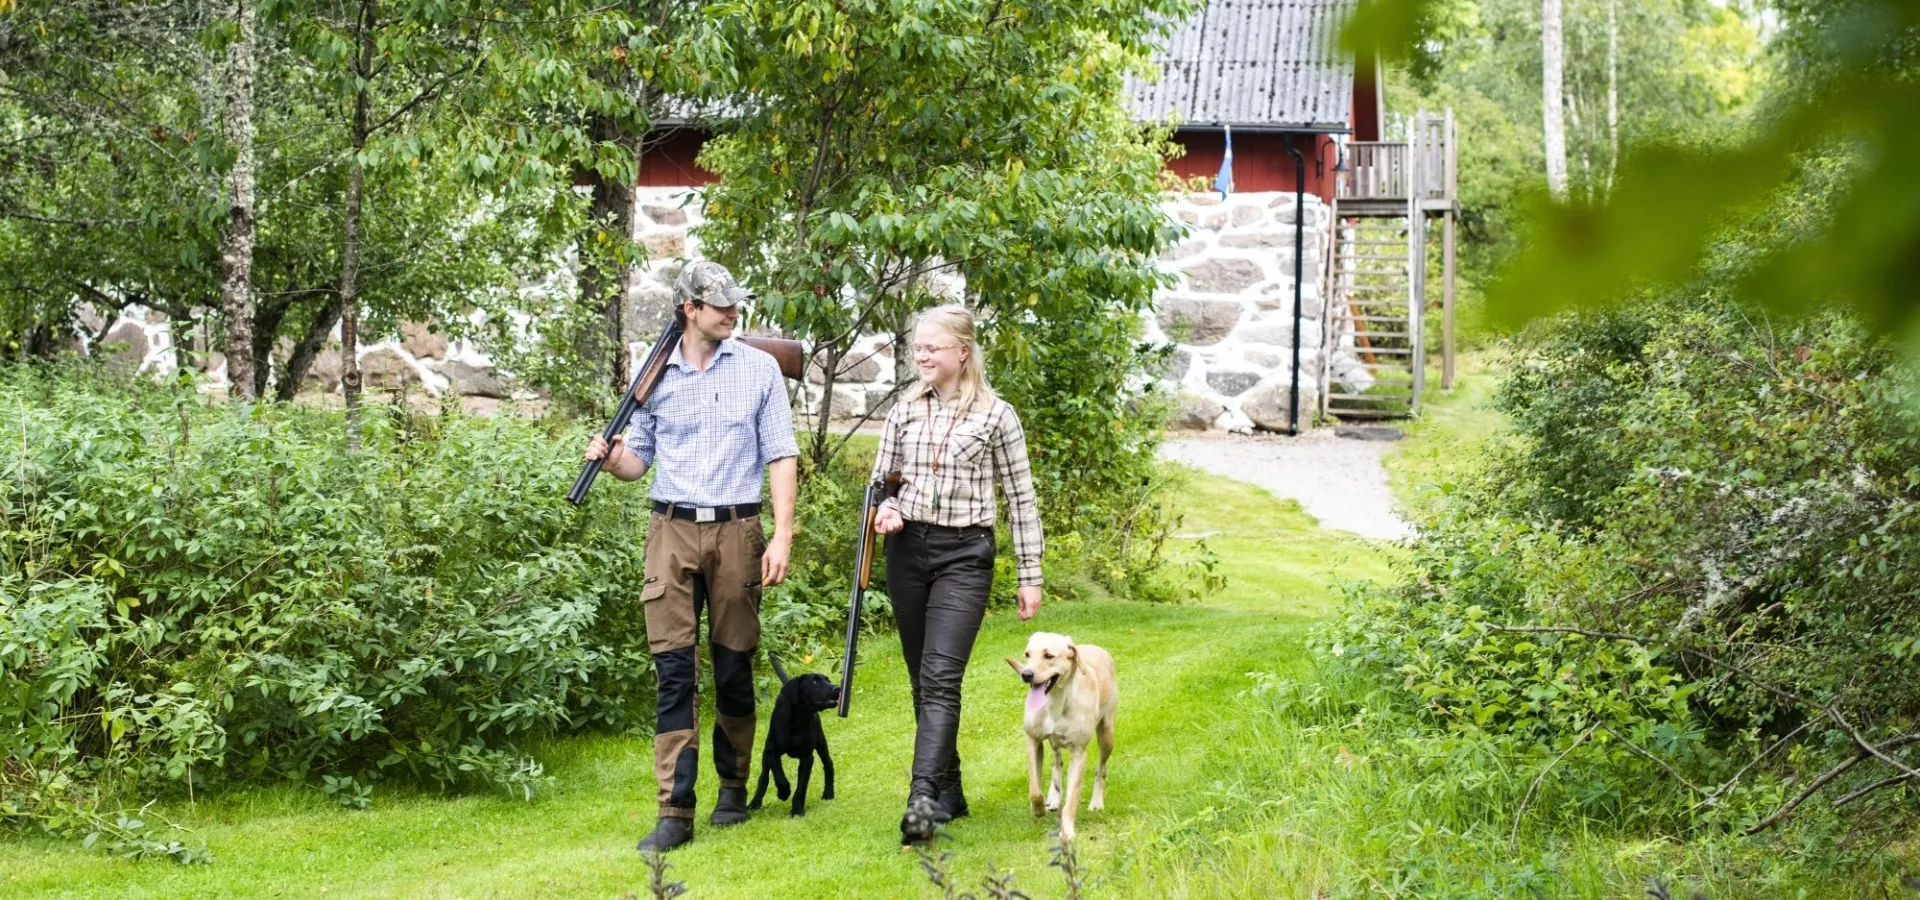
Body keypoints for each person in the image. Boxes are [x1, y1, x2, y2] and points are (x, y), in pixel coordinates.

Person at [583, 261, 799, 853]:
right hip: (670, 528)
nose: (733, 312)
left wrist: (781, 535)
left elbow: (781, 454)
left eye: (735, 303)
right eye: (721, 305)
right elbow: (637, 464)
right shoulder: (655, 376)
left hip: (737, 528)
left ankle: (733, 786)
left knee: (733, 664)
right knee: (673, 671)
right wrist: (610, 458)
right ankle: (674, 810)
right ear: (690, 310)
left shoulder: (759, 370)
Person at [870, 304, 1045, 845]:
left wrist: (1030, 573)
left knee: (942, 677)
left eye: (932, 348)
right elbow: (881, 483)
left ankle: (921, 800)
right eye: (917, 347)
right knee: (922, 679)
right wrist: (886, 508)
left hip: (965, 555)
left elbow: (1021, 497)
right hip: (908, 552)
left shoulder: (997, 415)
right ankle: (951, 791)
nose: (921, 355)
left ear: (962, 352)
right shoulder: (903, 410)